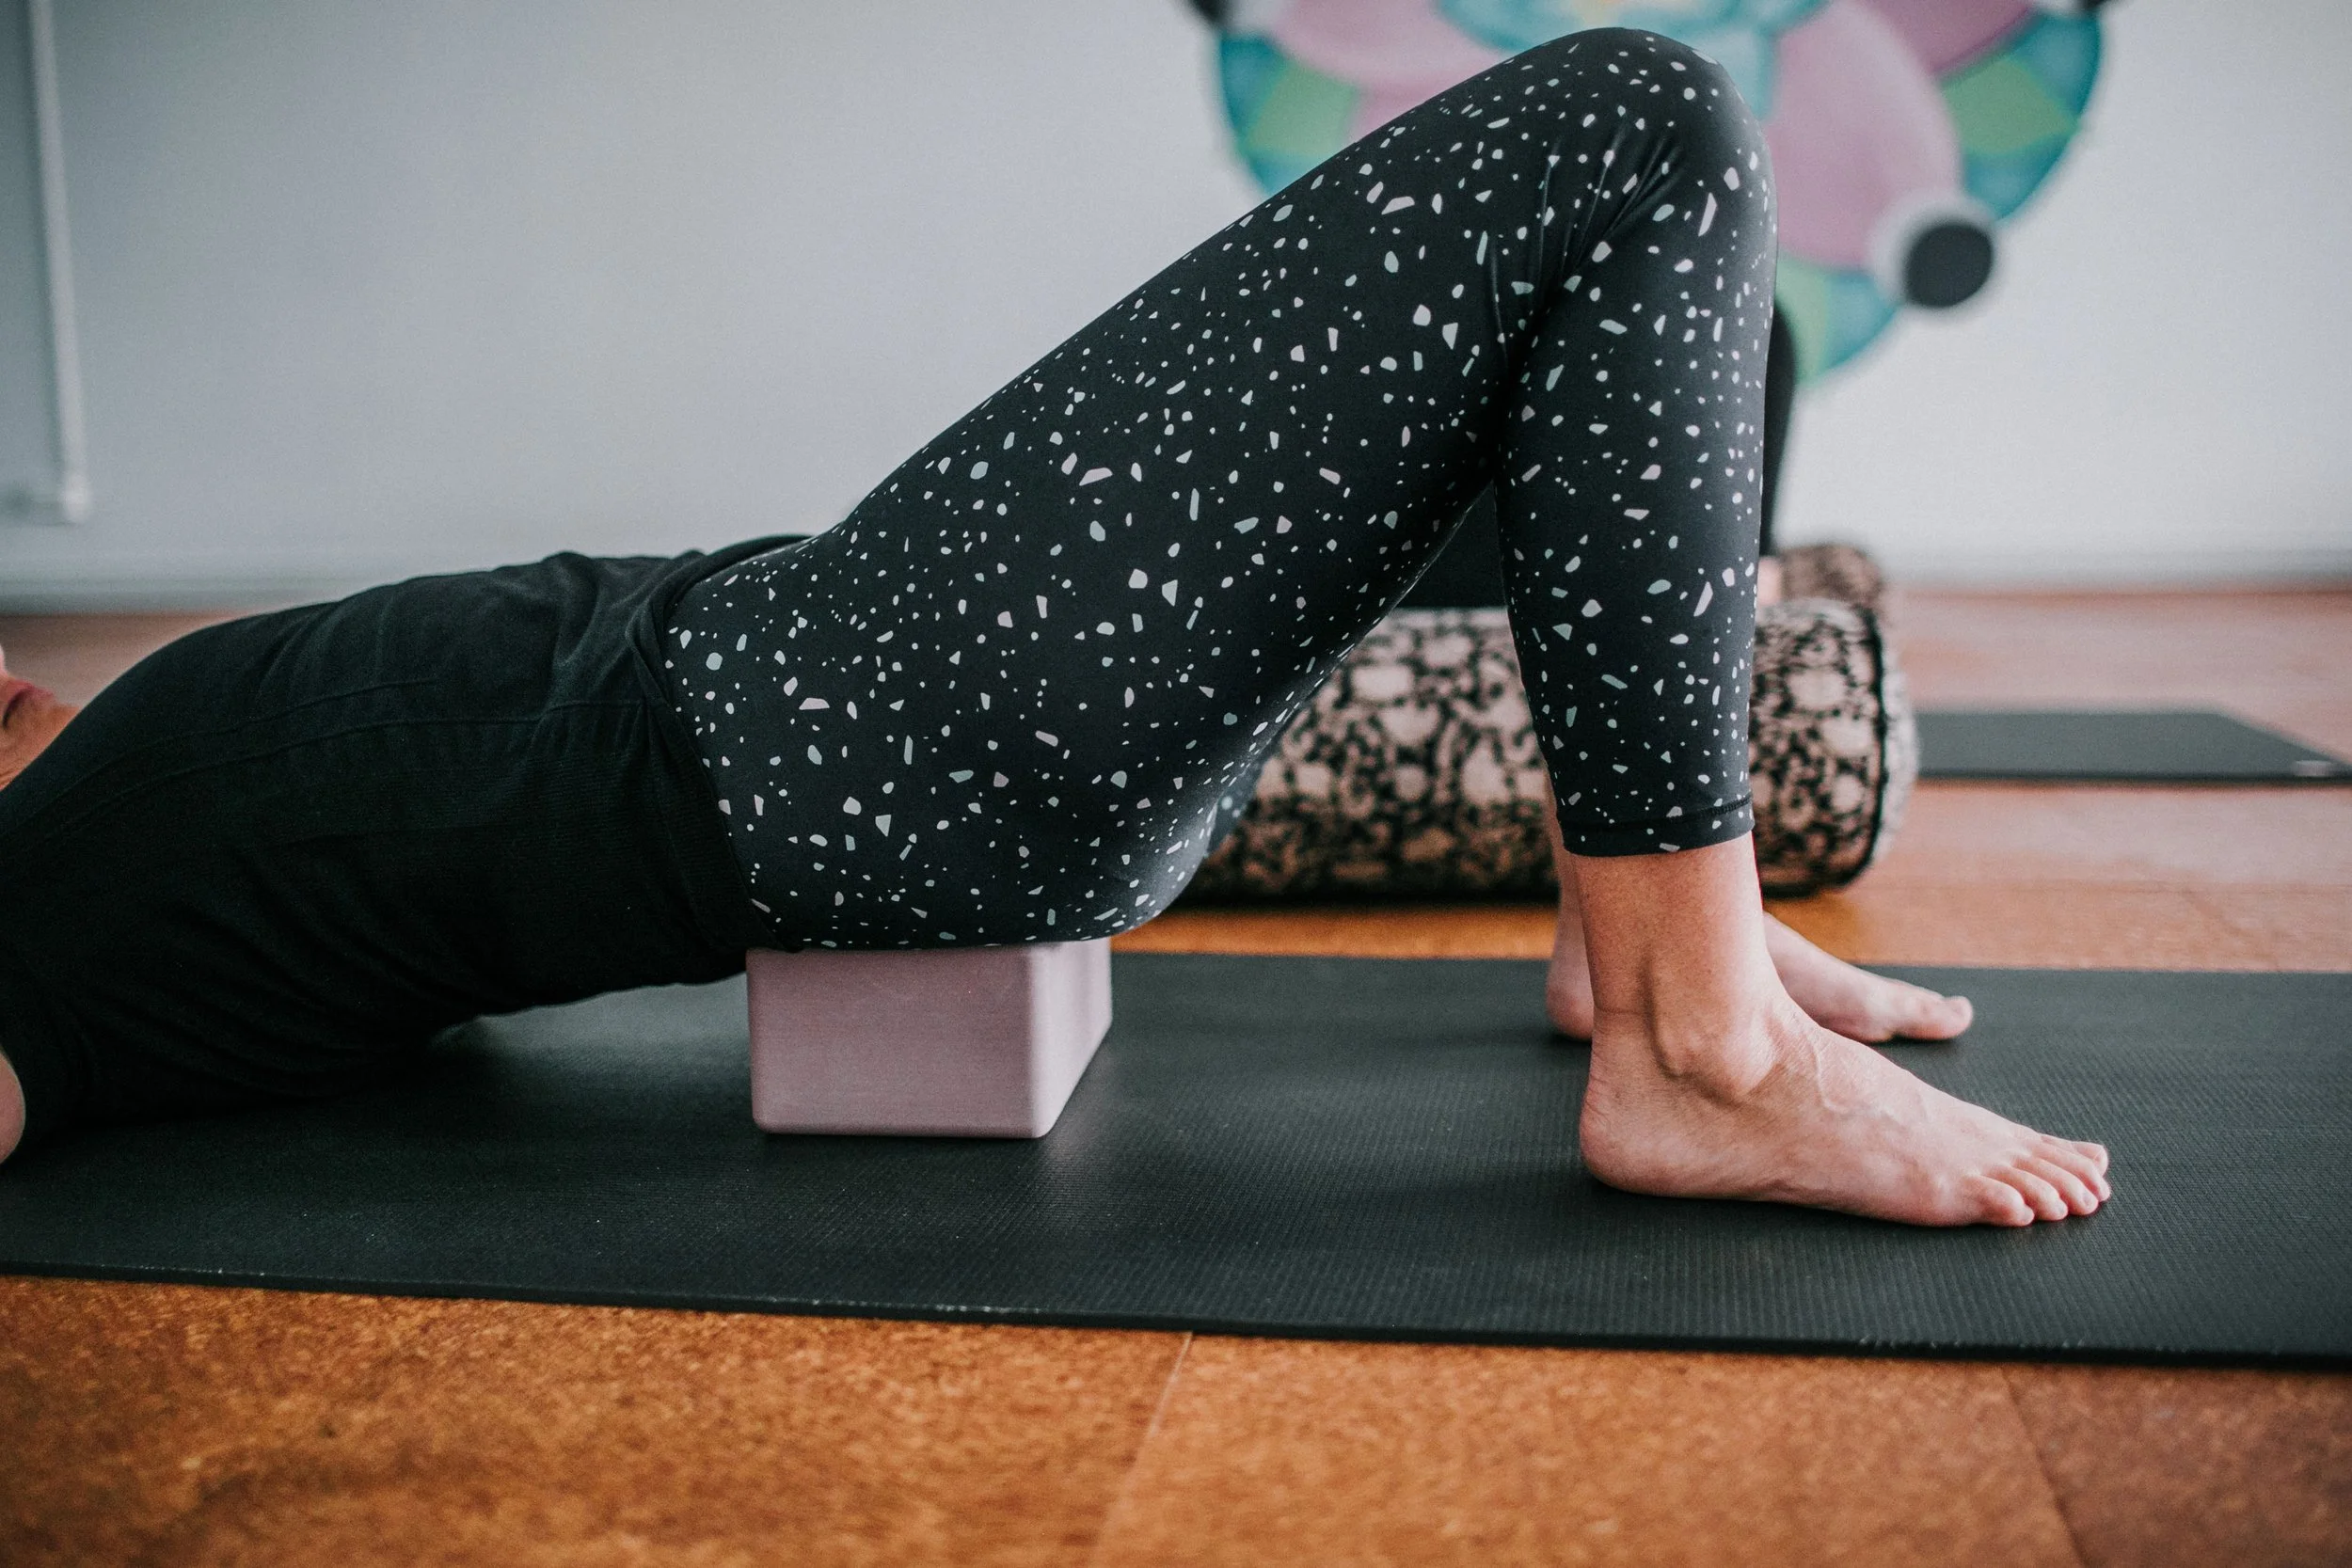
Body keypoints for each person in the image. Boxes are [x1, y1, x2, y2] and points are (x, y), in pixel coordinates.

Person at [0, 30, 2106, 1225]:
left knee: (1681, 332)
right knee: (1638, 130)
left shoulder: (94, 791)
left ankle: (1627, 932)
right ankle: (1693, 1045)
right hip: (854, 725)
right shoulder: (48, 927)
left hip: (833, 660)